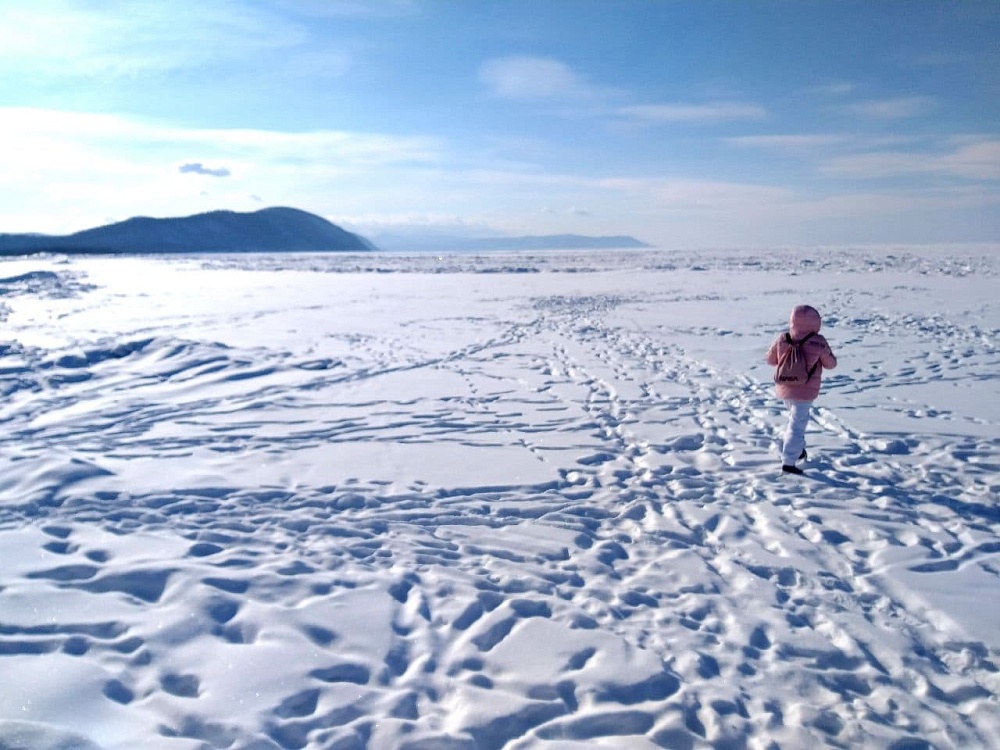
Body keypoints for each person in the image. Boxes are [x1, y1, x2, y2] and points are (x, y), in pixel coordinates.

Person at [765, 304, 837, 474]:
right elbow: (831, 364)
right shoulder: (818, 342)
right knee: (797, 425)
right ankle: (789, 461)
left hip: (784, 388)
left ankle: (798, 450)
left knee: (796, 421)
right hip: (805, 391)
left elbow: (770, 359)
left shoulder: (783, 338)